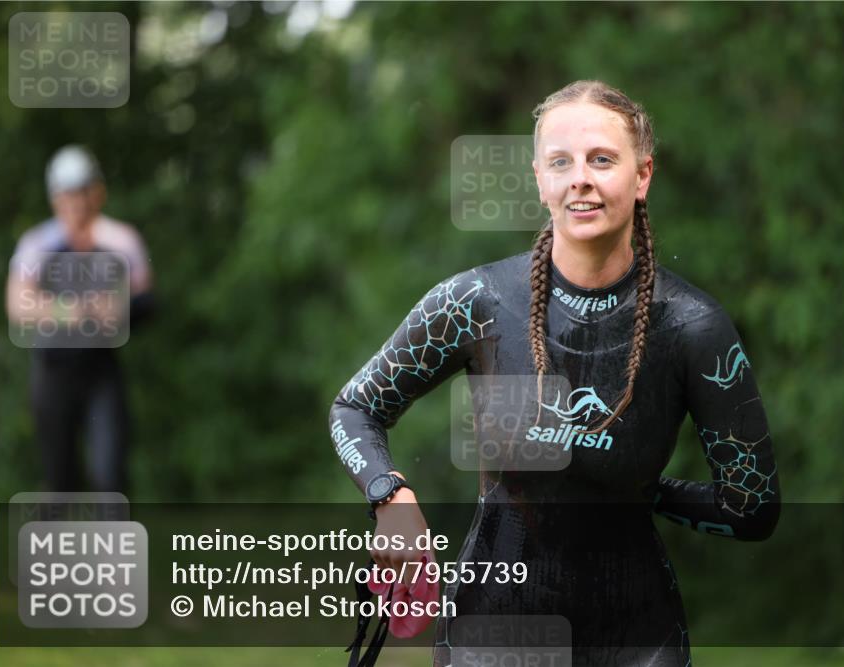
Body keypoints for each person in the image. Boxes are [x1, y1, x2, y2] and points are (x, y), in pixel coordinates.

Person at [329, 80, 781, 666]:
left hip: (638, 642)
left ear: (643, 176)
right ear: (540, 180)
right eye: (560, 162)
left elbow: (752, 509)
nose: (580, 179)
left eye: (602, 159)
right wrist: (391, 496)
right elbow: (356, 407)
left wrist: (643, 492)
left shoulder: (694, 328)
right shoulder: (477, 302)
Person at [6, 145, 154, 493]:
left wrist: (120, 309)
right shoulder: (38, 245)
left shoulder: (121, 240)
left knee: (110, 475)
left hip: (101, 371)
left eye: (83, 192)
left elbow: (148, 299)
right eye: (67, 194)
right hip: (53, 372)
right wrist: (69, 311)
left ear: (98, 192)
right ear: (55, 198)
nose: (76, 203)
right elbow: (17, 305)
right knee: (61, 481)